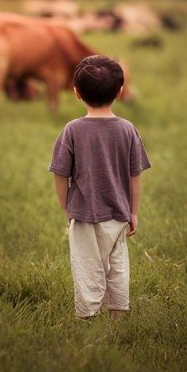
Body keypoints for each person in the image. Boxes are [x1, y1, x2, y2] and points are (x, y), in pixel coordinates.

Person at [48, 55, 151, 320]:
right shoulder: (127, 129)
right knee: (117, 265)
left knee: (87, 266)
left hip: (83, 214)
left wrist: (66, 206)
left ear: (76, 93)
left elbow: (61, 175)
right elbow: (135, 175)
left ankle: (87, 316)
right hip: (118, 213)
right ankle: (118, 315)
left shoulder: (72, 130)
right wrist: (133, 212)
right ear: (119, 91)